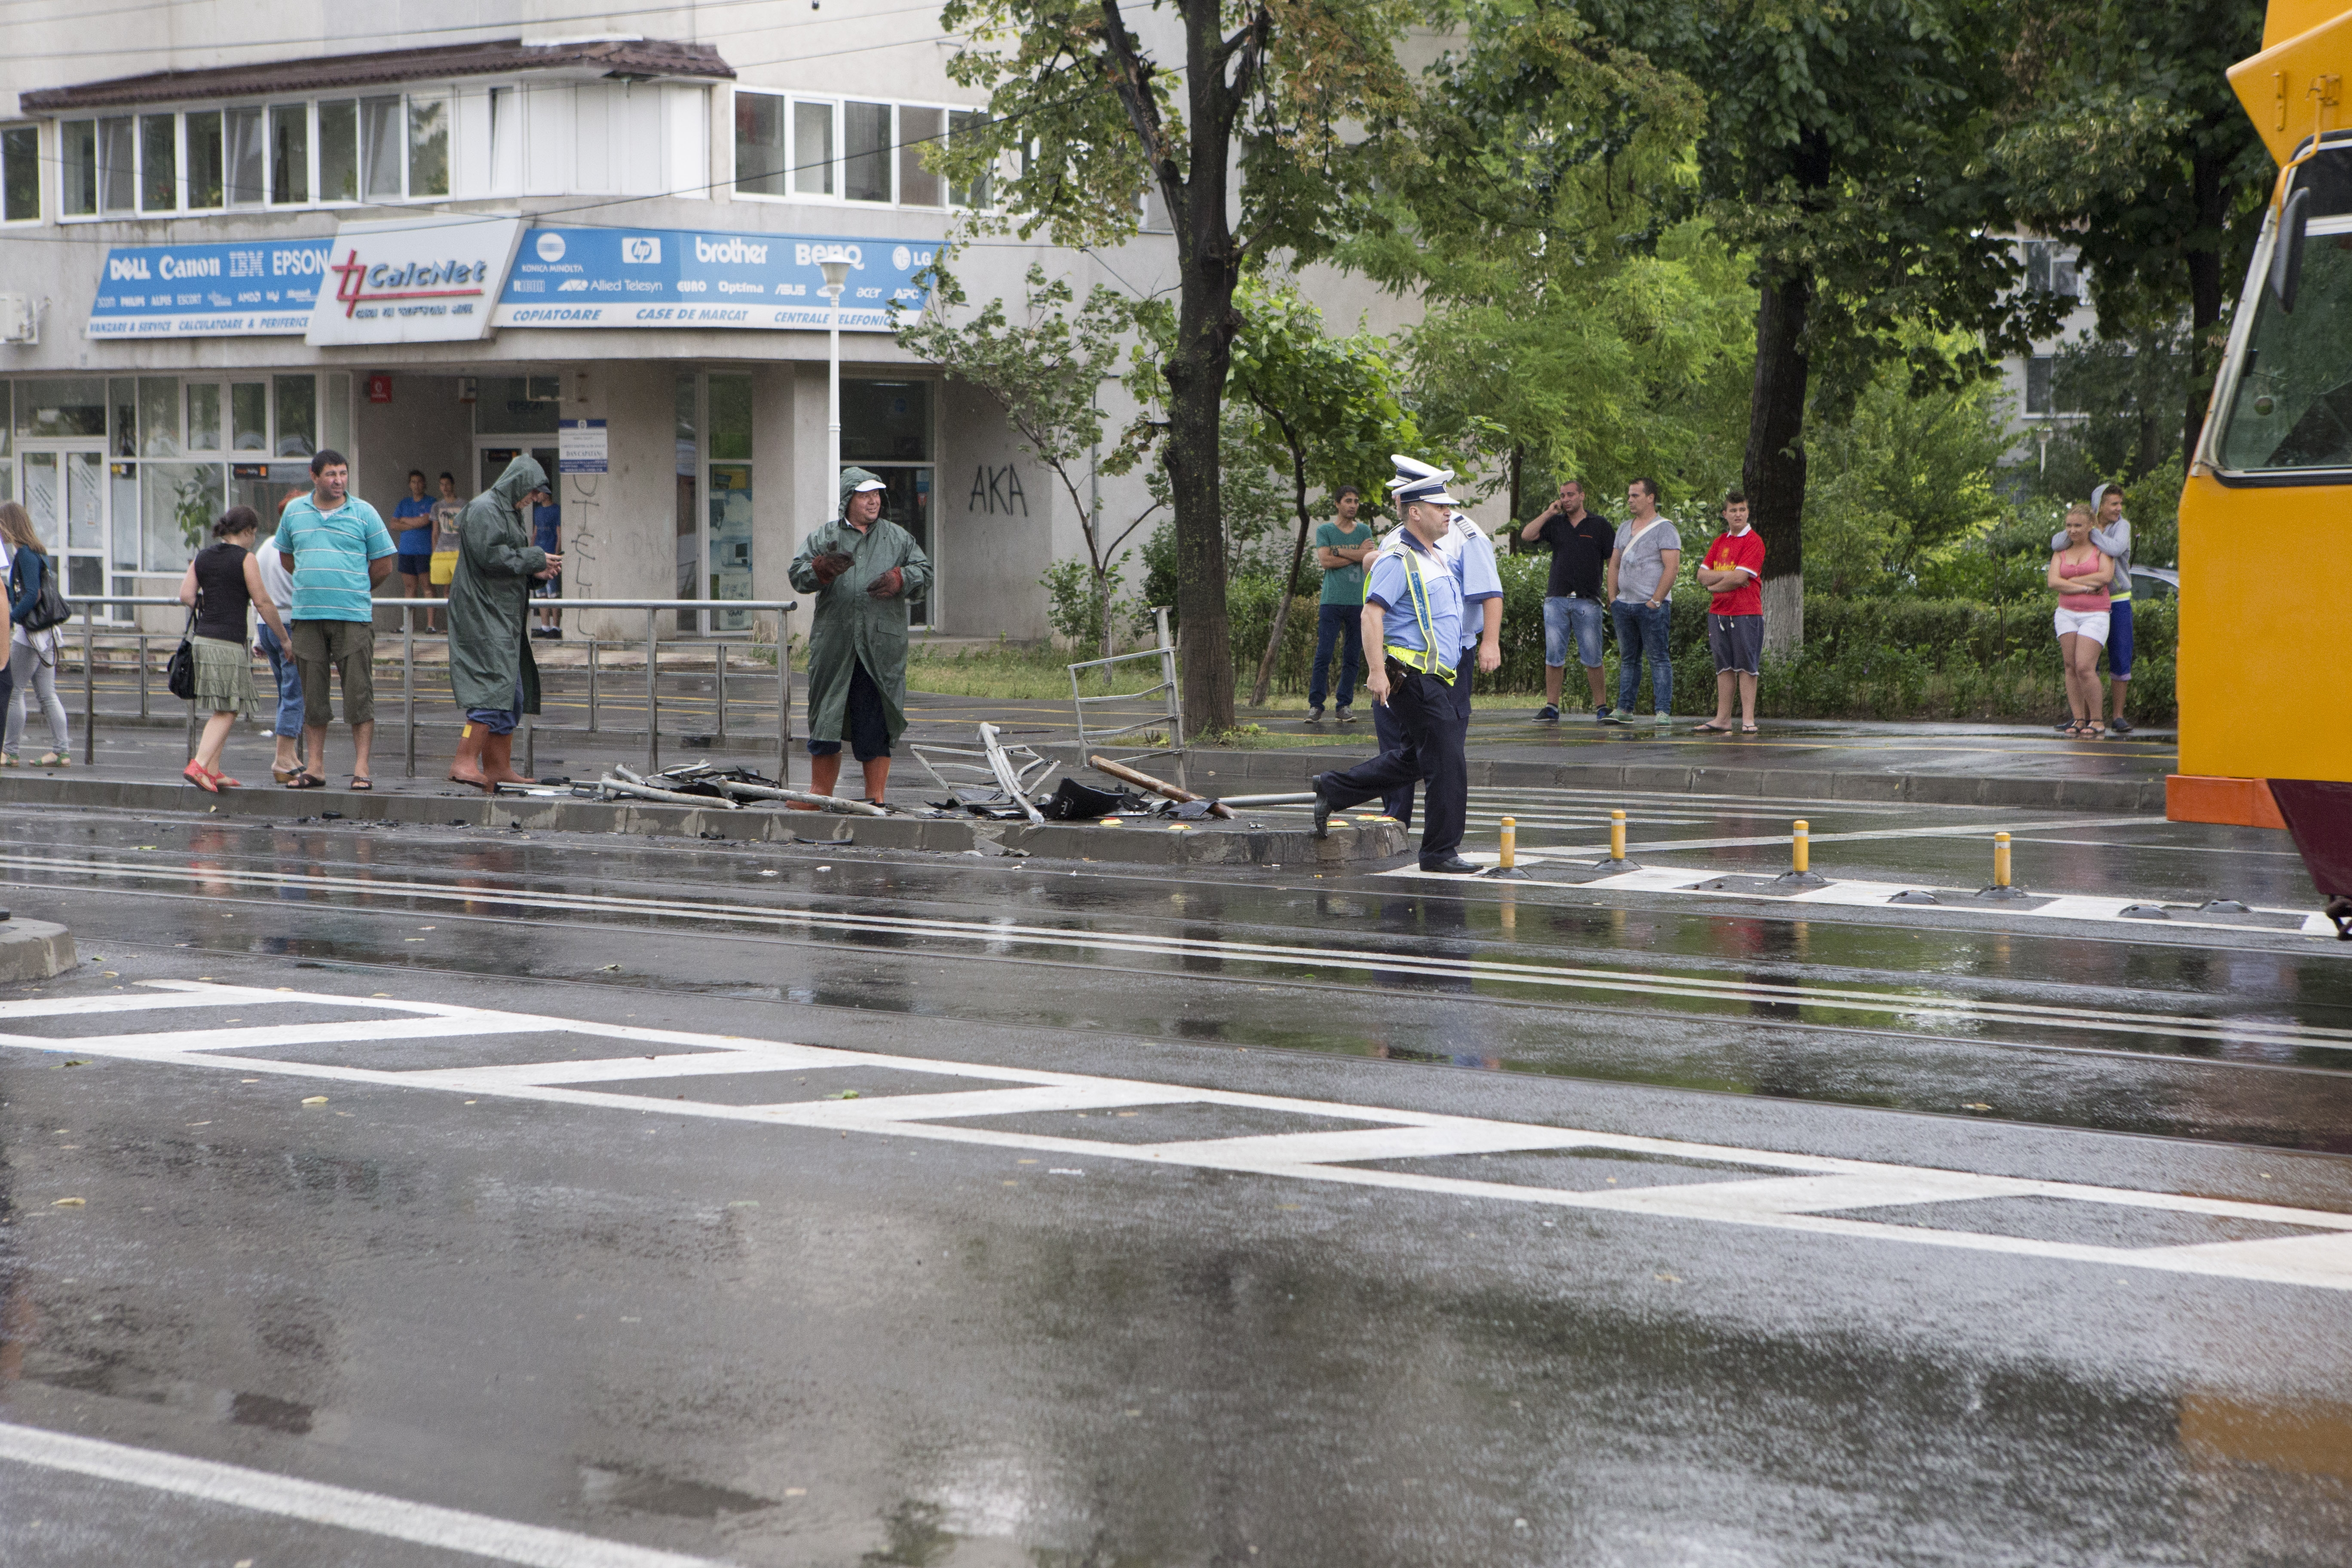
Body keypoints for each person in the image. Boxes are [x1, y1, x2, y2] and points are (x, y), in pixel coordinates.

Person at [1308, 467, 1478, 875]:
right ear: (1415, 512)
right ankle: (1439, 852)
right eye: (1440, 507)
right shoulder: (1398, 558)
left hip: (1436, 679)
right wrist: (1375, 672)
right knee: (1449, 761)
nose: (1448, 513)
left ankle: (1333, 788)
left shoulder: (1435, 556)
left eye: (1448, 507)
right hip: (1410, 678)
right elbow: (1371, 613)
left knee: (1419, 759)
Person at [787, 468, 934, 805]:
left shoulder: (898, 539)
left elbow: (925, 573)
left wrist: (902, 578)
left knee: (875, 717)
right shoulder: (825, 537)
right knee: (826, 715)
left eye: (877, 495)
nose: (874, 501)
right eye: (865, 495)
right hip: (834, 645)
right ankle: (819, 793)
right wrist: (821, 569)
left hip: (880, 646)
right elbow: (797, 574)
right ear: (848, 500)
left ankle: (875, 798)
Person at [1372, 453, 1501, 831]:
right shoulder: (1398, 536)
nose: (1397, 501)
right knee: (1397, 742)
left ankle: (1437, 832)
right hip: (1400, 661)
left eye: (1401, 494)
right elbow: (1378, 604)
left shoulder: (1465, 536)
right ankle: (1394, 820)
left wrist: (1489, 643)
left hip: (1449, 659)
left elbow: (1490, 592)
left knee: (1443, 749)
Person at [276, 447, 395, 790]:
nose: (339, 481)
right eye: (331, 474)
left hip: (352, 616)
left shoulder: (364, 513)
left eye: (343, 474)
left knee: (359, 693)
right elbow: (287, 557)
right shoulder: (295, 512)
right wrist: (316, 582)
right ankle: (315, 767)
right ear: (314, 477)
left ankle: (361, 768)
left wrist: (352, 588)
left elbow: (384, 565)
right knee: (313, 695)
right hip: (308, 616)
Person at [446, 456, 560, 791]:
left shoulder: (506, 511)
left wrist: (537, 573)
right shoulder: (485, 509)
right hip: (482, 615)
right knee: (490, 689)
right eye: (532, 492)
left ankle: (497, 768)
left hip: (500, 615)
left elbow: (507, 564)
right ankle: (463, 761)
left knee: (512, 694)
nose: (533, 499)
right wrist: (535, 558)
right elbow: (490, 556)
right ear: (517, 484)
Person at [176, 507, 292, 792]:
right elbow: (263, 602)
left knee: (223, 705)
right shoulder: (246, 559)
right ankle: (199, 766)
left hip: (204, 640)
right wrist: (284, 639)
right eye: (254, 533)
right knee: (229, 708)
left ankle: (213, 771)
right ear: (248, 532)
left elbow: (186, 595)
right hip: (228, 643)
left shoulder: (203, 556)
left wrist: (210, 606)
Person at [1519, 478, 1614, 721]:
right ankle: (1552, 706)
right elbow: (1527, 535)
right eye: (1562, 495)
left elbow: (1614, 559)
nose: (1566, 499)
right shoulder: (1555, 523)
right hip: (1557, 599)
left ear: (1582, 496)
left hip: (1588, 600)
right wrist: (1549, 512)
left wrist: (1613, 593)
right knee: (1554, 655)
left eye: (1571, 495)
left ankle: (1601, 707)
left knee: (1593, 656)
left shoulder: (1599, 525)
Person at [2051, 483, 2135, 735]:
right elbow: (2057, 543)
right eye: (2113, 504)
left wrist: (2093, 534)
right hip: (2081, 603)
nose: (2119, 509)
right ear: (2099, 505)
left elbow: (2115, 549)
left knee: (2120, 657)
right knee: (2083, 664)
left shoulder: (2121, 527)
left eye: (2120, 504)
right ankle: (2082, 717)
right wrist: (2082, 530)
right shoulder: (2081, 526)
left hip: (2117, 598)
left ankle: (2117, 716)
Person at [0, 502, 70, 767]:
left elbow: (33, 594)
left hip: (29, 634)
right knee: (47, 694)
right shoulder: (38, 552)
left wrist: (12, 616)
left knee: (16, 692)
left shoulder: (25, 555)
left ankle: (10, 752)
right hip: (47, 633)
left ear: (10, 525)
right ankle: (61, 751)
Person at [1606, 478, 1680, 724]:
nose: (1630, 500)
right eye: (1629, 496)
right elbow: (1614, 564)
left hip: (1652, 607)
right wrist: (1613, 599)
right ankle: (1624, 710)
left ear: (1651, 498)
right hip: (1624, 606)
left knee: (1658, 658)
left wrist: (1656, 601)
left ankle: (1662, 713)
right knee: (1629, 660)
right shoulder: (1624, 528)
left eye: (1636, 496)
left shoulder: (1665, 529)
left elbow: (1672, 568)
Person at [1692, 490, 1765, 735]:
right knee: (1723, 666)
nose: (1738, 514)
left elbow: (1741, 577)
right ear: (1725, 514)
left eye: (1742, 510)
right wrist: (1727, 579)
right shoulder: (1719, 542)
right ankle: (1723, 719)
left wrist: (1715, 584)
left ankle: (1748, 719)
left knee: (1747, 666)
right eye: (1733, 510)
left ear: (1748, 512)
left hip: (1746, 612)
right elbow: (1702, 575)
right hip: (1719, 612)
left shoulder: (1754, 541)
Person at [1307, 485, 1375, 722]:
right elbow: (1326, 561)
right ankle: (1316, 705)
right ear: (1337, 504)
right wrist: (1355, 553)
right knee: (1323, 654)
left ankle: (1344, 705)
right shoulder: (1325, 530)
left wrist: (1340, 552)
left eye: (1356, 501)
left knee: (1352, 657)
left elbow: (1369, 559)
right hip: (1332, 601)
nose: (1353, 505)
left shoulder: (1364, 529)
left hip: (1359, 602)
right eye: (1348, 501)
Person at [2048, 502, 2114, 739]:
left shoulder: (2102, 551)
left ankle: (2097, 719)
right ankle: (2078, 718)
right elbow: (2053, 582)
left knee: (2085, 667)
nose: (2073, 530)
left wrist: (2071, 584)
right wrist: (2086, 587)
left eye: (2078, 525)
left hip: (2095, 614)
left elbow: (2105, 576)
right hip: (2066, 614)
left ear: (2090, 526)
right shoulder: (2061, 553)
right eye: (2068, 525)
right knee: (2070, 667)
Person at [250, 527, 304, 784]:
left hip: (266, 624)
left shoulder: (266, 546)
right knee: (295, 693)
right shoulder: (296, 545)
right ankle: (283, 758)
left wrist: (257, 635)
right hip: (290, 624)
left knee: (286, 692)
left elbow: (257, 594)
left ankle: (290, 755)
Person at [392, 470, 435, 617]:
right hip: (406, 551)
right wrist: (416, 523)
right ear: (410, 485)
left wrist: (404, 520)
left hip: (424, 551)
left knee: (427, 587)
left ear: (425, 484)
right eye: (413, 482)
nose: (417, 485)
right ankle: (408, 626)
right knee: (410, 588)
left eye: (419, 482)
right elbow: (393, 524)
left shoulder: (431, 502)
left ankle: (431, 625)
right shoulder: (404, 503)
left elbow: (426, 521)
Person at [426, 472, 462, 633]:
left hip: (459, 551)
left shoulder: (464, 504)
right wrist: (435, 554)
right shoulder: (437, 506)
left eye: (447, 484)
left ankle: (458, 626)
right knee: (446, 590)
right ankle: (450, 626)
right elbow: (435, 532)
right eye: (442, 485)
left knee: (459, 589)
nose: (445, 488)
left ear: (453, 485)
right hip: (442, 552)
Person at [530, 491, 564, 639]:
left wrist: (557, 557)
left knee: (553, 593)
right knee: (541, 592)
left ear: (547, 492)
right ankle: (545, 627)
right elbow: (535, 534)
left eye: (539, 492)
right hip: (539, 555)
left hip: (551, 555)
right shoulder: (537, 511)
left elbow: (559, 534)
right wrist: (530, 553)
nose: (537, 495)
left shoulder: (557, 510)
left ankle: (556, 627)